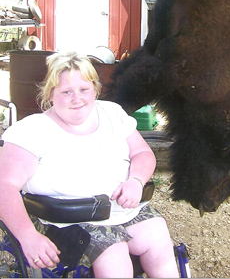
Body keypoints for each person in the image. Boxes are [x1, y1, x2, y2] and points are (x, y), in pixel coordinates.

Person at [0, 51, 179, 278]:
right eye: (66, 92)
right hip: (67, 222)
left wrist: (136, 180)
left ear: (95, 88)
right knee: (114, 254)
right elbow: (4, 185)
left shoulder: (113, 113)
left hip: (123, 211)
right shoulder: (32, 131)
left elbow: (143, 153)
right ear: (51, 94)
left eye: (84, 90)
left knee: (157, 234)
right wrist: (27, 236)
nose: (77, 99)